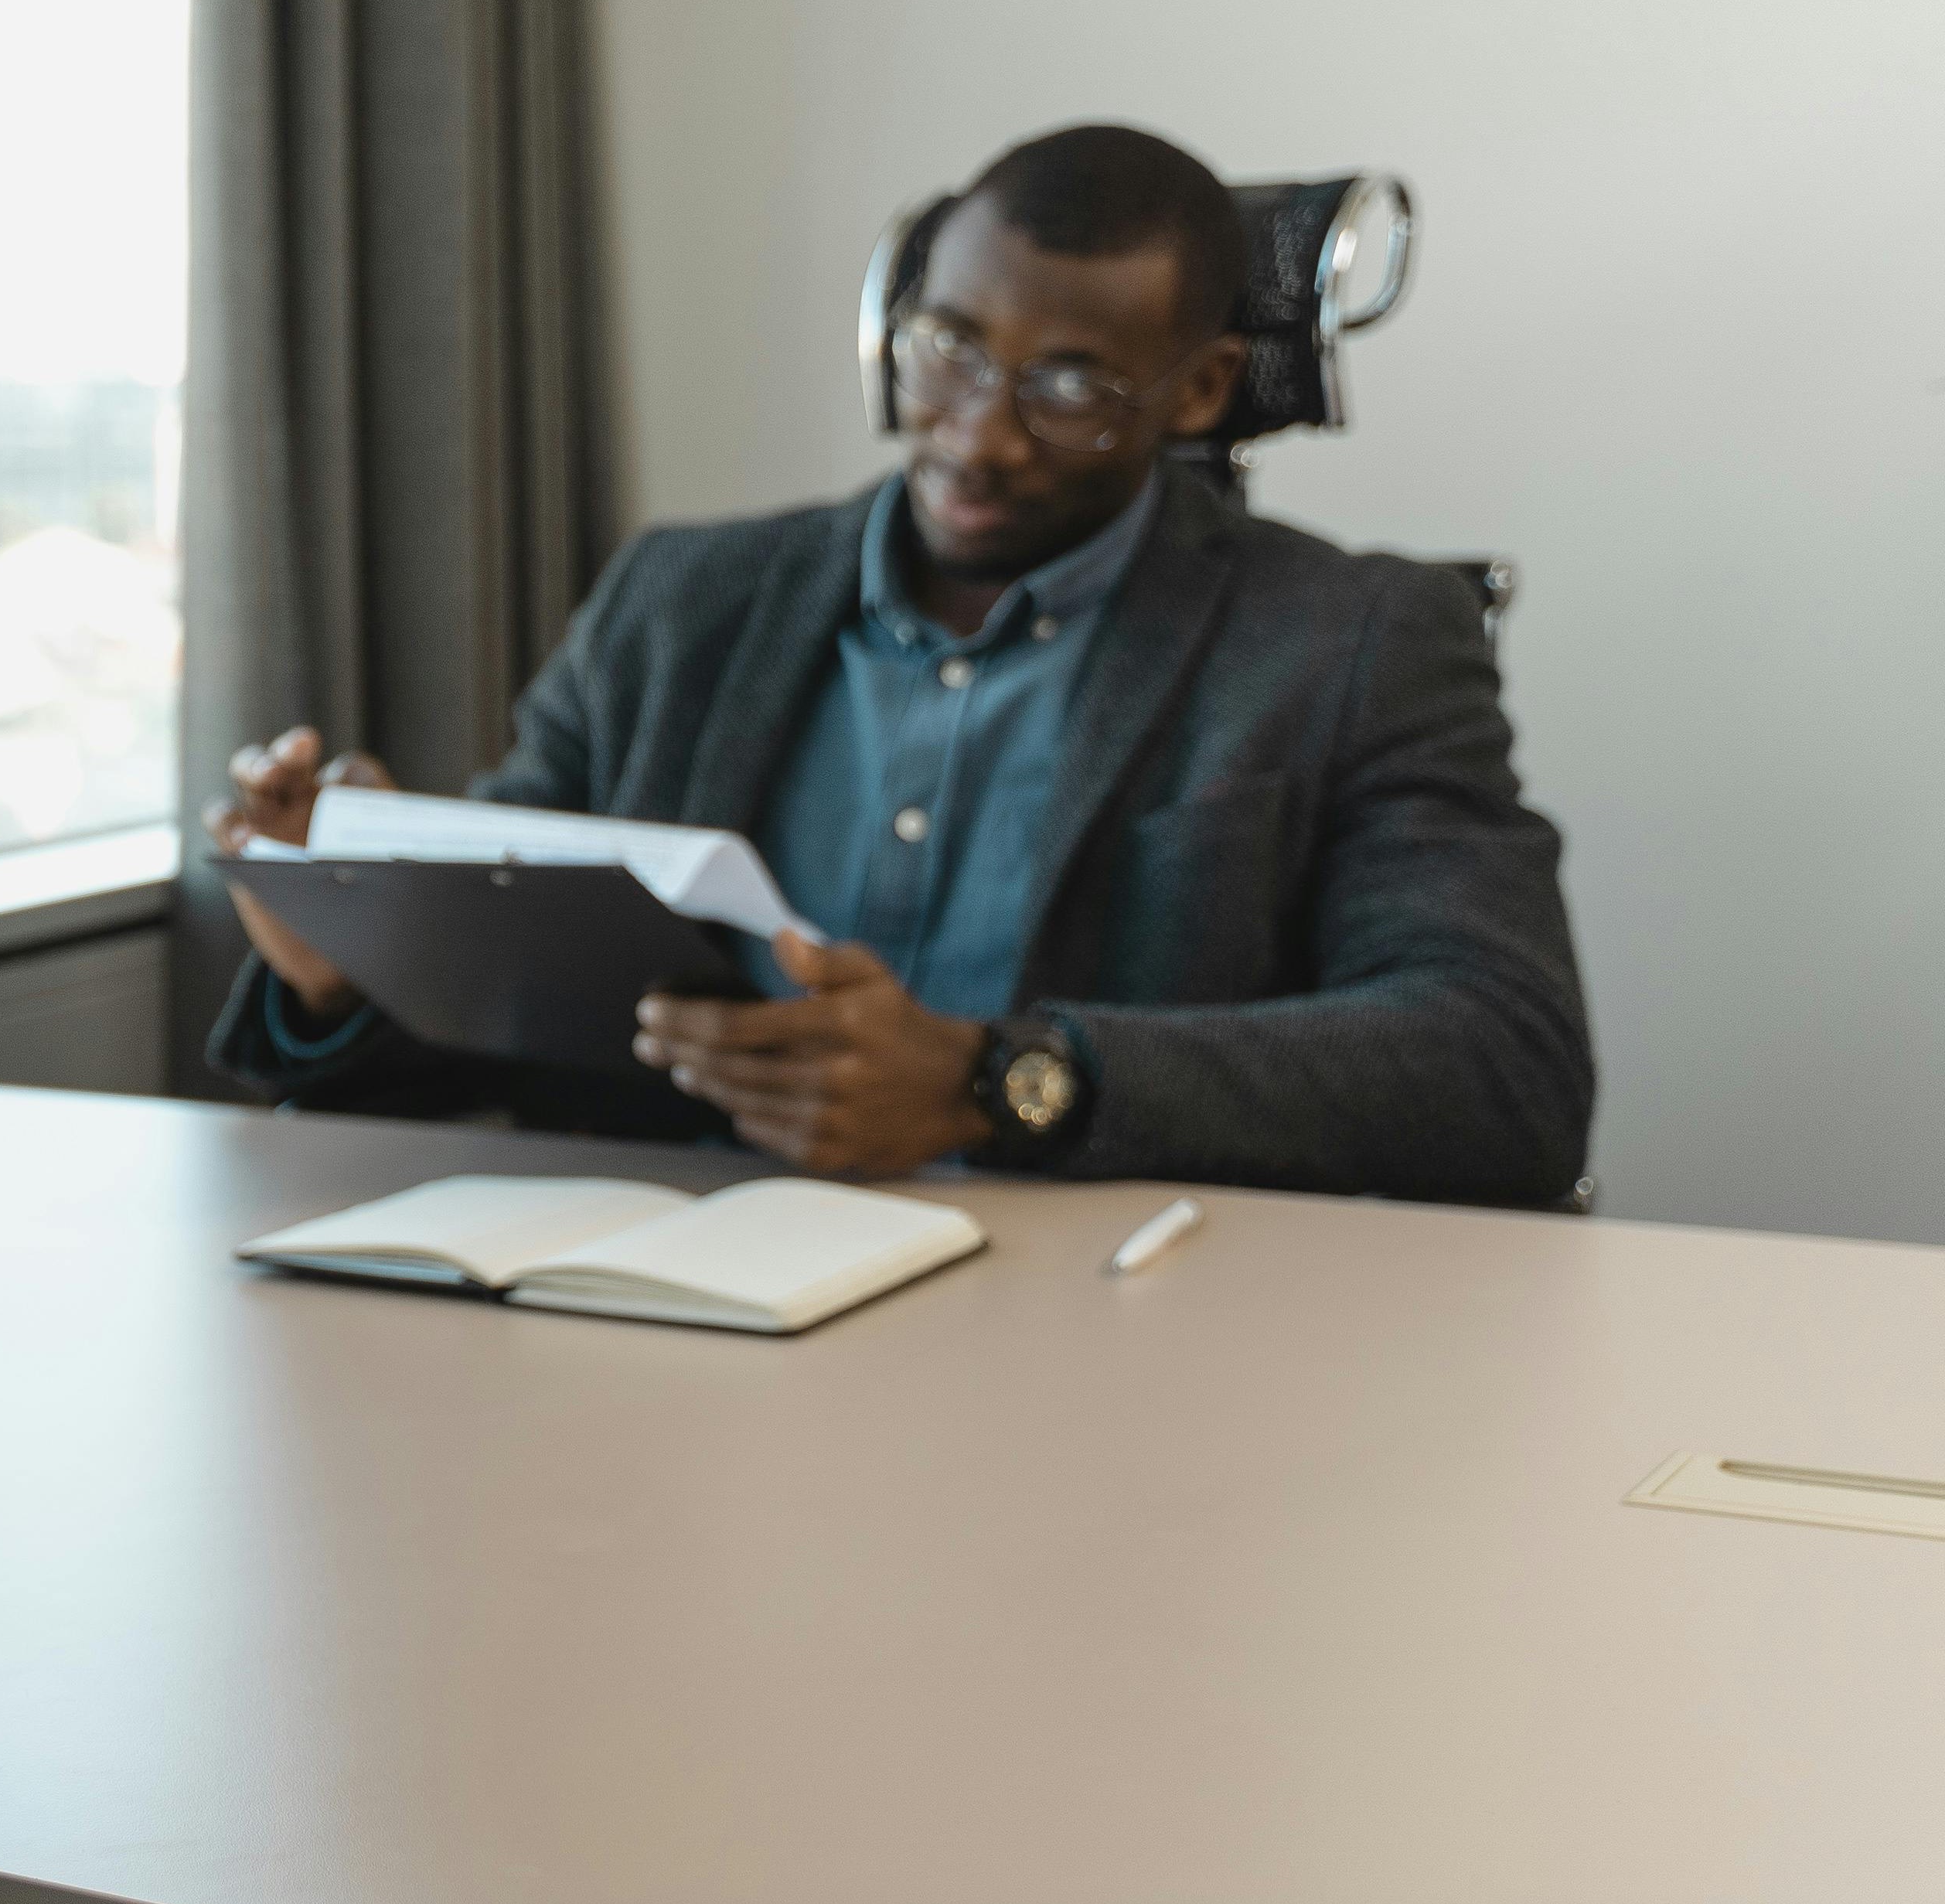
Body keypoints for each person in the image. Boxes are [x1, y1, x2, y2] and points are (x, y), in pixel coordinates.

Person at [207, 124, 1592, 1204]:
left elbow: (1503, 1063)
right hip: (674, 1303)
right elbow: (497, 1015)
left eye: (1068, 387)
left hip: (1116, 1330)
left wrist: (1006, 1081)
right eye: (949, 351)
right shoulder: (679, 604)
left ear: (1203, 390)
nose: (978, 435)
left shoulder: (1353, 641)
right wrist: (353, 944)